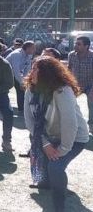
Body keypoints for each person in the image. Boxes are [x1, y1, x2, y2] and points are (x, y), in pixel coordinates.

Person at [24, 56, 89, 212]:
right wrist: (45, 143)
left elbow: (70, 123)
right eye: (31, 68)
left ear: (47, 73)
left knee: (55, 166)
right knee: (44, 159)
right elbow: (30, 121)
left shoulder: (62, 91)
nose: (31, 72)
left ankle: (59, 204)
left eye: (35, 69)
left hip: (74, 139)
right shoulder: (30, 90)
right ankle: (46, 183)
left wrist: (62, 150)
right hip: (48, 135)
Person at [67, 35, 93, 134]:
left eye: (79, 44)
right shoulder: (71, 55)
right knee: (68, 101)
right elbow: (68, 69)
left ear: (86, 46)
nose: (75, 45)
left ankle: (91, 125)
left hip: (90, 84)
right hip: (76, 84)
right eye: (75, 43)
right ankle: (71, 123)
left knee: (92, 103)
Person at [6, 41, 36, 114]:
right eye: (33, 48)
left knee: (22, 89)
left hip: (15, 73)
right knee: (6, 90)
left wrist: (25, 81)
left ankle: (22, 109)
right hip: (5, 73)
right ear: (27, 48)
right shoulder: (17, 55)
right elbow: (16, 70)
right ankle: (20, 109)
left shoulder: (29, 55)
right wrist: (21, 83)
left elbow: (27, 69)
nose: (34, 50)